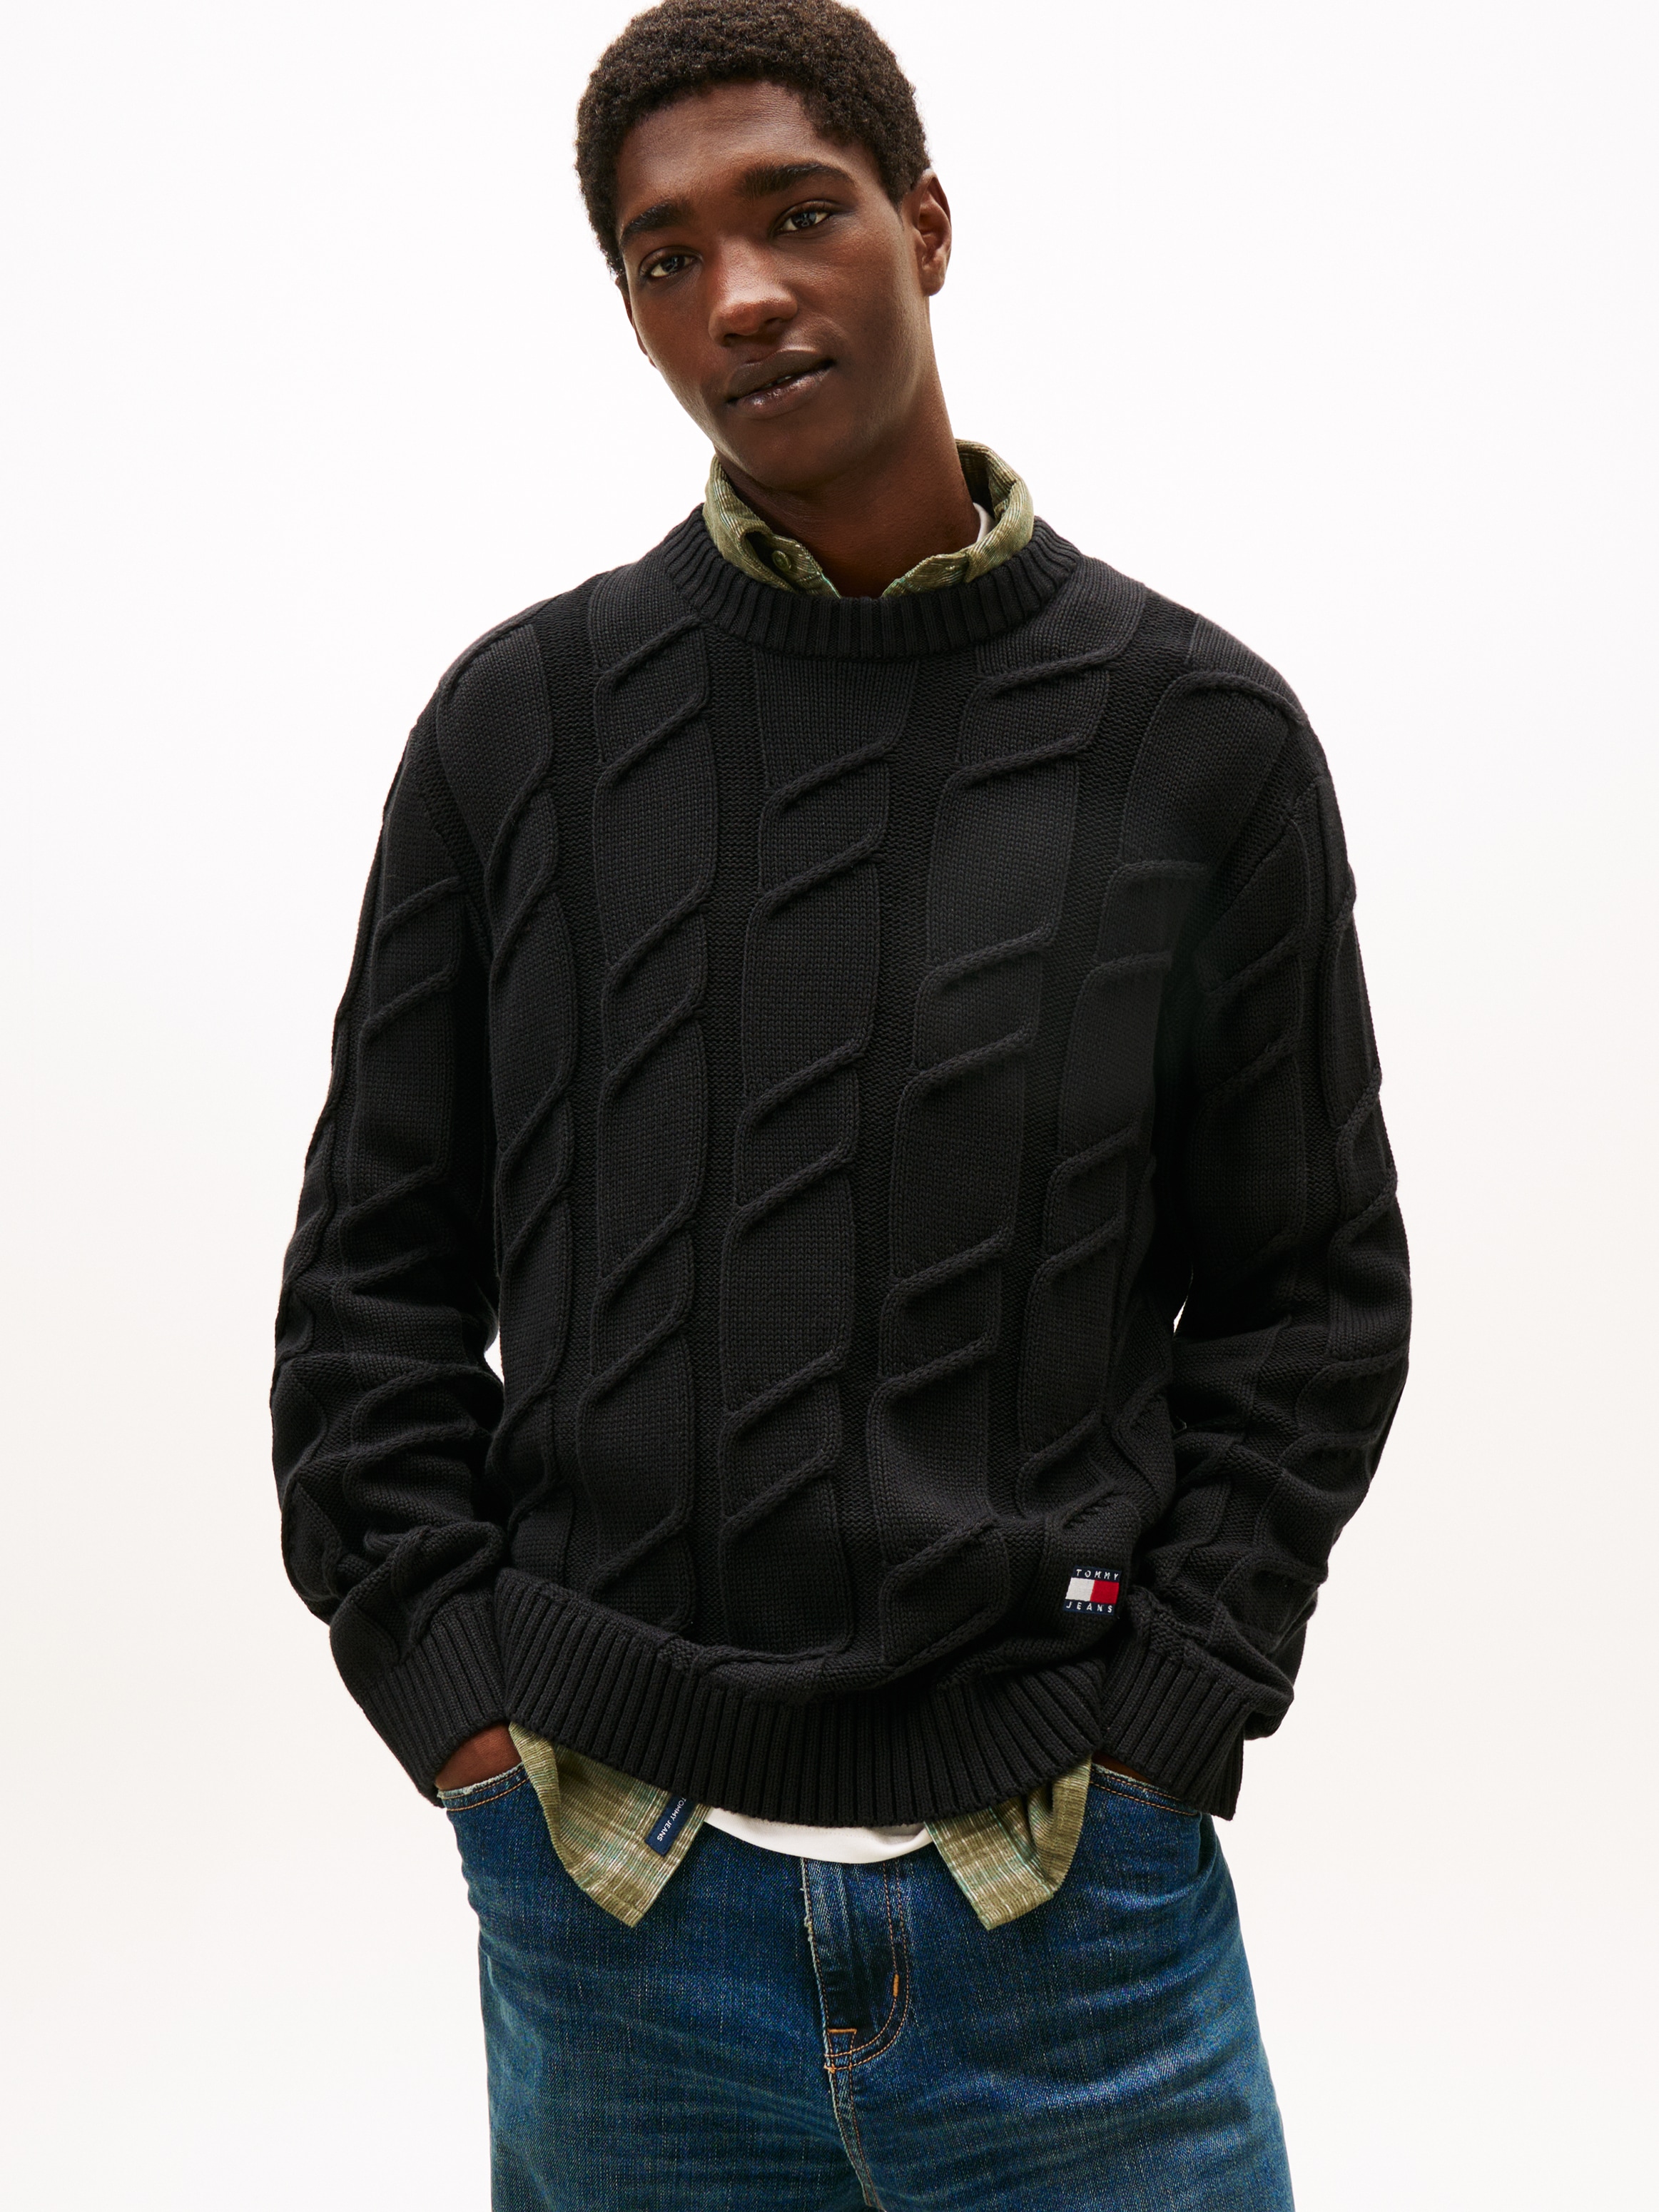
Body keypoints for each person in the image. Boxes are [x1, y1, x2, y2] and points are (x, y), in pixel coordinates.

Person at [270, 2, 1411, 2203]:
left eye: (797, 214)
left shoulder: (1199, 742)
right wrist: (462, 1719)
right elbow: (370, 1283)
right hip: (615, 1914)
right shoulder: (519, 731)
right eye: (665, 256)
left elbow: (1310, 1294)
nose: (740, 293)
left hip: (1069, 1901)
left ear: (927, 224)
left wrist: (1170, 1723)